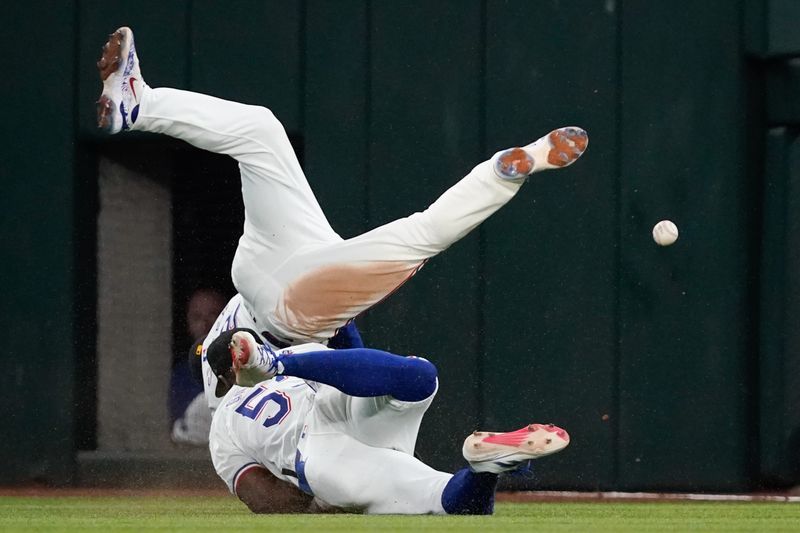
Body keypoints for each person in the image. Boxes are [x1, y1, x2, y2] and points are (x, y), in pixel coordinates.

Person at [95, 27, 588, 410]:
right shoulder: (239, 398)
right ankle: (507, 170)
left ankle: (139, 103)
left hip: (287, 304)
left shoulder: (226, 382)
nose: (203, 350)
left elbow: (235, 375)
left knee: (414, 231)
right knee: (263, 134)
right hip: (272, 286)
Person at [204, 327, 570, 514]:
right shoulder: (297, 347)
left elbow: (265, 498)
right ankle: (486, 465)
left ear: (220, 379)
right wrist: (345, 322)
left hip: (320, 455)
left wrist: (318, 503)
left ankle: (484, 470)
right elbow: (359, 369)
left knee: (447, 503)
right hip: (333, 405)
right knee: (419, 376)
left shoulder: (223, 422)